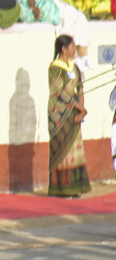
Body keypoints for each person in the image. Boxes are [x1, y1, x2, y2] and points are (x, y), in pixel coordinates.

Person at [50, 35, 92, 198]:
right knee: (62, 150)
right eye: (72, 47)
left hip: (74, 111)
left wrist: (81, 109)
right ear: (63, 49)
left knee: (75, 150)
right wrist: (79, 108)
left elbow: (80, 88)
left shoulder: (74, 68)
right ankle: (61, 189)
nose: (75, 50)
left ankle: (76, 187)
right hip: (59, 113)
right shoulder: (55, 67)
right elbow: (60, 91)